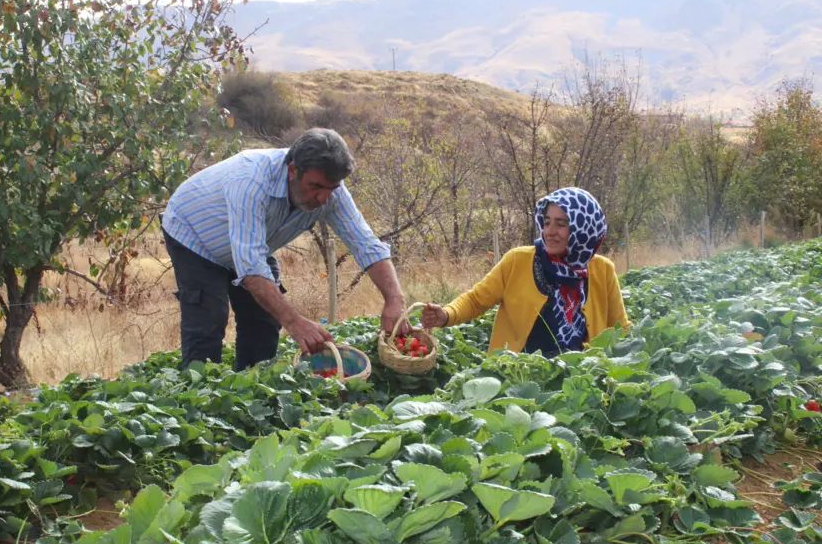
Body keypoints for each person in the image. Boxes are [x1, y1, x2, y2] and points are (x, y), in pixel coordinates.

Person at [162, 128, 408, 371]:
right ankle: (197, 398)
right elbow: (251, 268)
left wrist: (394, 300)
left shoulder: (332, 192)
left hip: (251, 243)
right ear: (293, 170)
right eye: (316, 186)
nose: (323, 198)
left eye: (331, 189)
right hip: (195, 235)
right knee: (209, 318)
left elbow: (366, 244)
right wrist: (295, 322)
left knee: (264, 320)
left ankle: (251, 392)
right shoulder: (250, 181)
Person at [421, 187, 629, 357]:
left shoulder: (602, 270)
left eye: (561, 224)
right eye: (547, 222)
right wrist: (446, 315)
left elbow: (621, 329)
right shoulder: (518, 261)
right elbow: (476, 300)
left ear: (584, 228)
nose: (550, 231)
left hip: (579, 382)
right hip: (519, 374)